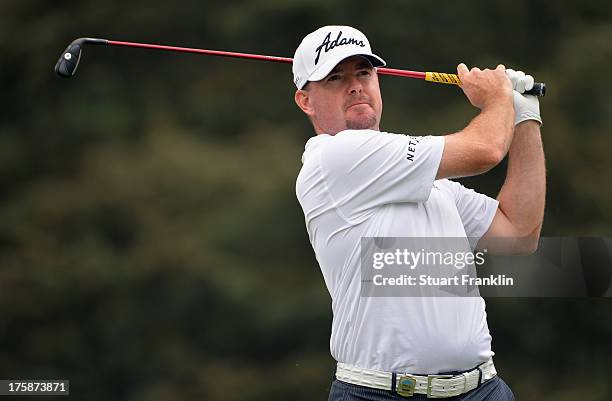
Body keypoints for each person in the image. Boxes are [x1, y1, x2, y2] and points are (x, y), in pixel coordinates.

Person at [293, 26, 545, 400]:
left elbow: (519, 232)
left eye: (364, 72)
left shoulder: (427, 180)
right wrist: (498, 101)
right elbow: (486, 151)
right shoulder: (330, 160)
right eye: (335, 78)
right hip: (378, 393)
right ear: (306, 101)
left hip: (482, 389)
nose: (355, 86)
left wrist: (525, 117)